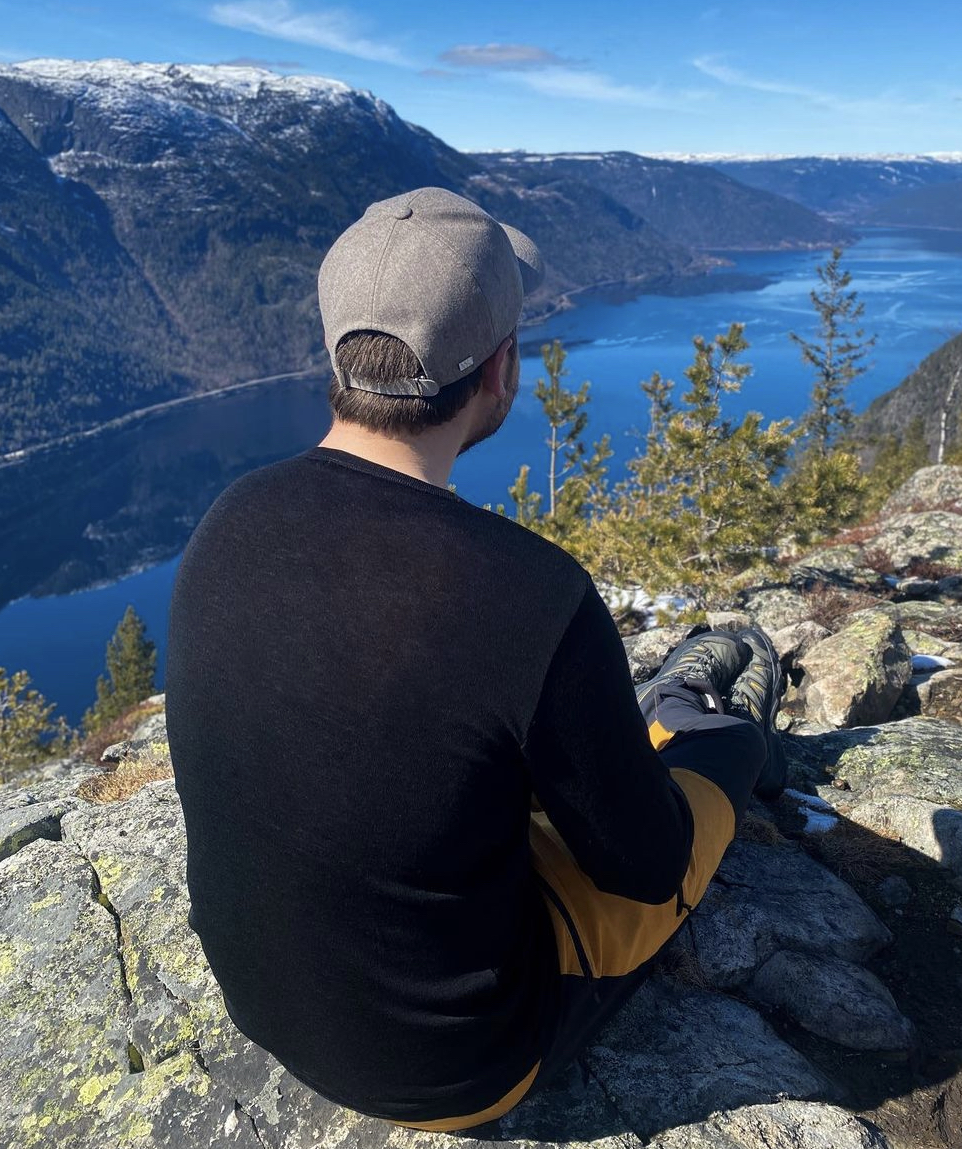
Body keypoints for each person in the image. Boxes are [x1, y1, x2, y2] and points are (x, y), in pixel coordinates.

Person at [164, 186, 786, 1133]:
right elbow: (645, 867)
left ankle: (662, 710)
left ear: (339, 355)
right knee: (718, 764)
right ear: (501, 370)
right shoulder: (530, 592)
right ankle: (698, 711)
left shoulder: (229, 520)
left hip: (261, 1005)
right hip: (458, 1065)